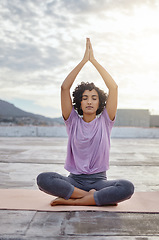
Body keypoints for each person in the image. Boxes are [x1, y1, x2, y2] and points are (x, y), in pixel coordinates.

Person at [37, 38, 134, 206]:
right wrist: (83, 61)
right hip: (74, 181)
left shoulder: (105, 120)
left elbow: (114, 88)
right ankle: (91, 198)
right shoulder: (72, 120)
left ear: (100, 102)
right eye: (85, 98)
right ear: (79, 102)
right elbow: (64, 88)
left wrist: (94, 61)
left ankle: (74, 201)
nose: (89, 101)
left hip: (99, 182)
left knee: (127, 187)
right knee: (43, 179)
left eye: (94, 98)